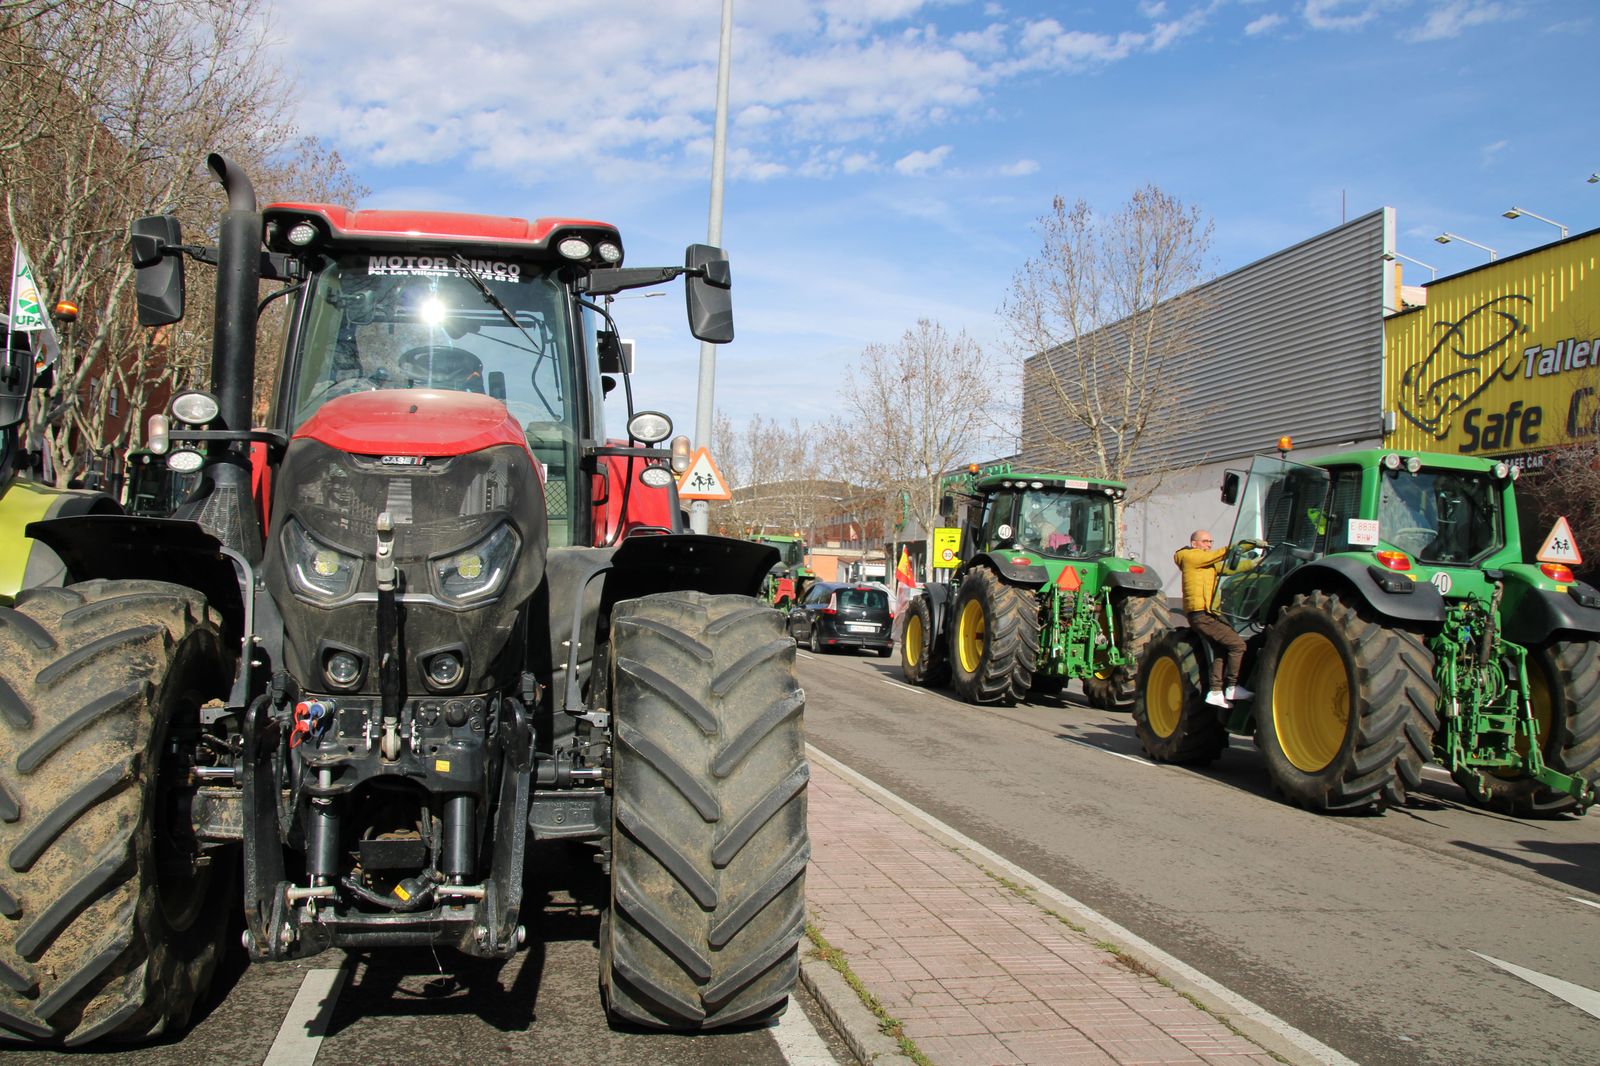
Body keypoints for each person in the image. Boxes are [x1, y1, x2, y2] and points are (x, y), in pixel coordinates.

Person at [1175, 529, 1253, 709]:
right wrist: (1241, 547)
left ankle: (1216, 692)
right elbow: (1220, 555)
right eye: (1205, 541)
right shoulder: (1190, 557)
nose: (1209, 545)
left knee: (1220, 649)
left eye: (1211, 541)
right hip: (1200, 614)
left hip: (1206, 613)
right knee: (1237, 645)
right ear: (1194, 543)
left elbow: (1229, 567)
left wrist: (1255, 563)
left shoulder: (1206, 564)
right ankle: (1233, 686)